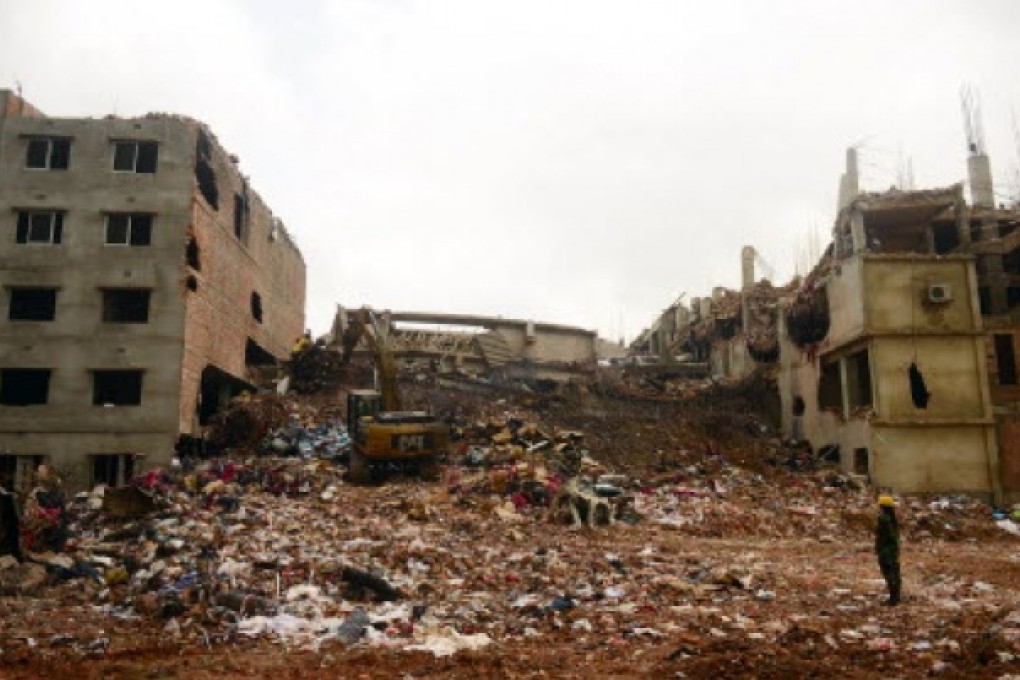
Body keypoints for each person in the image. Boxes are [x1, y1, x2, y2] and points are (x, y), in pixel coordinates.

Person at [875, 494, 901, 605]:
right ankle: (896, 596)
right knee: (895, 571)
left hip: (886, 550)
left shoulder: (883, 519)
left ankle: (893, 598)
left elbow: (886, 535)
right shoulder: (892, 518)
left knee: (889, 572)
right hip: (893, 549)